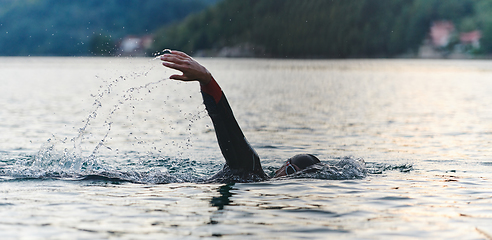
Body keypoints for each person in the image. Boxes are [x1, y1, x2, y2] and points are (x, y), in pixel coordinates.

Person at [160, 50, 321, 183]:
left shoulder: (256, 180)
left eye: (297, 178)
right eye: (291, 171)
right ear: (281, 168)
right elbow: (226, 123)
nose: (290, 180)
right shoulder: (250, 168)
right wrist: (207, 81)